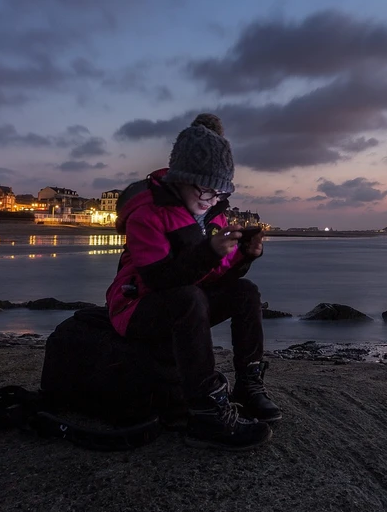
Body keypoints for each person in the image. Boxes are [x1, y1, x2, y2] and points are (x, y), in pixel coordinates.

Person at [105, 113, 279, 451]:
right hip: (135, 306)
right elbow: (159, 278)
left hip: (183, 300)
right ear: (181, 178)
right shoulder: (147, 214)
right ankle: (205, 412)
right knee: (189, 299)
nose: (212, 198)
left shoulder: (212, 212)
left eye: (219, 191)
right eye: (205, 187)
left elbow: (215, 276)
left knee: (246, 293)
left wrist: (243, 255)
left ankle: (248, 383)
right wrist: (209, 253)